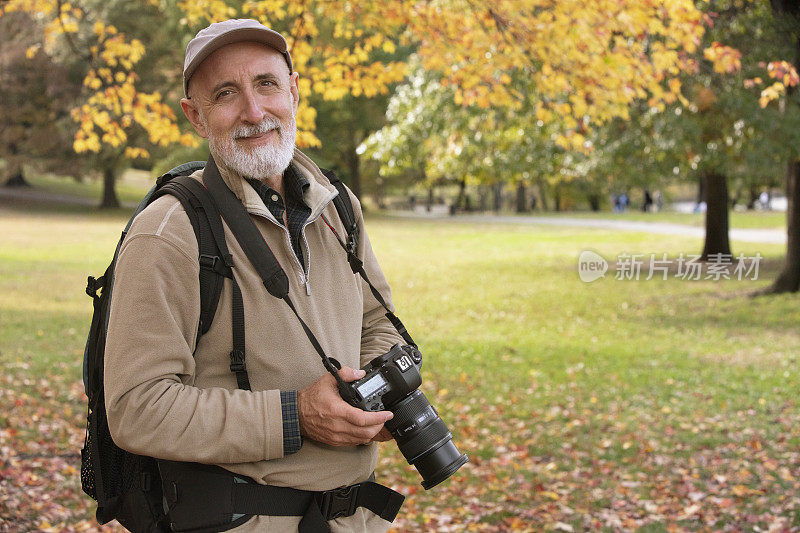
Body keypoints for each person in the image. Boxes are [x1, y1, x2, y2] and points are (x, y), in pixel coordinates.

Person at [104, 19, 406, 532]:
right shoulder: (169, 234)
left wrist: (379, 389)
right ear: (195, 117)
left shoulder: (339, 208)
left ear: (294, 89)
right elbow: (137, 407)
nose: (254, 111)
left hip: (354, 520)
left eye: (267, 83)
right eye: (226, 94)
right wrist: (294, 417)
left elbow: (378, 321)